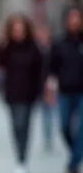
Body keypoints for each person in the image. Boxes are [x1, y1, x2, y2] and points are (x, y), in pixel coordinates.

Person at [0, 14, 45, 173]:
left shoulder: (33, 48)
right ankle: (20, 158)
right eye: (15, 29)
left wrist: (40, 90)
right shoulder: (7, 47)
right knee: (16, 126)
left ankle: (22, 161)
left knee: (24, 125)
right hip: (12, 94)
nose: (18, 32)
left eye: (21, 29)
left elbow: (41, 69)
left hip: (28, 94)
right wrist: (2, 44)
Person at [47, 6, 83, 173]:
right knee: (65, 127)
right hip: (65, 91)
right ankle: (77, 152)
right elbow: (51, 67)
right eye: (72, 18)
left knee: (82, 128)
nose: (75, 22)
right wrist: (49, 85)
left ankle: (73, 163)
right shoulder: (60, 43)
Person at [34, 24, 57, 152]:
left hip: (53, 84)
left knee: (51, 112)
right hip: (42, 86)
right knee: (45, 113)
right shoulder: (37, 49)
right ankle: (47, 137)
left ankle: (50, 136)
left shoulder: (54, 48)